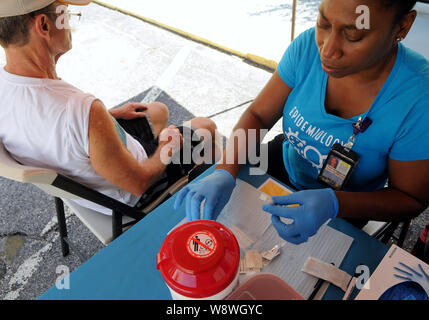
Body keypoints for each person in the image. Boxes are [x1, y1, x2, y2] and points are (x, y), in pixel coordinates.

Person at [175, 0, 429, 245]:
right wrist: (225, 171)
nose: (327, 50)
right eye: (324, 23)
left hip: (349, 203)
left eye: (353, 36)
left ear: (403, 26)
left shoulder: (418, 98)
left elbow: (410, 198)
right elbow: (259, 115)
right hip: (283, 165)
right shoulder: (308, 47)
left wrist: (335, 204)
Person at [0, 0, 218, 215]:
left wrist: (106, 117)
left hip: (86, 175)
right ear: (44, 26)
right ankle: (196, 197)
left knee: (158, 110)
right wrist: (165, 148)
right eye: (66, 13)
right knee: (205, 125)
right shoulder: (80, 109)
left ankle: (163, 155)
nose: (70, 23)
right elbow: (138, 183)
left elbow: (49, 128)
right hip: (127, 195)